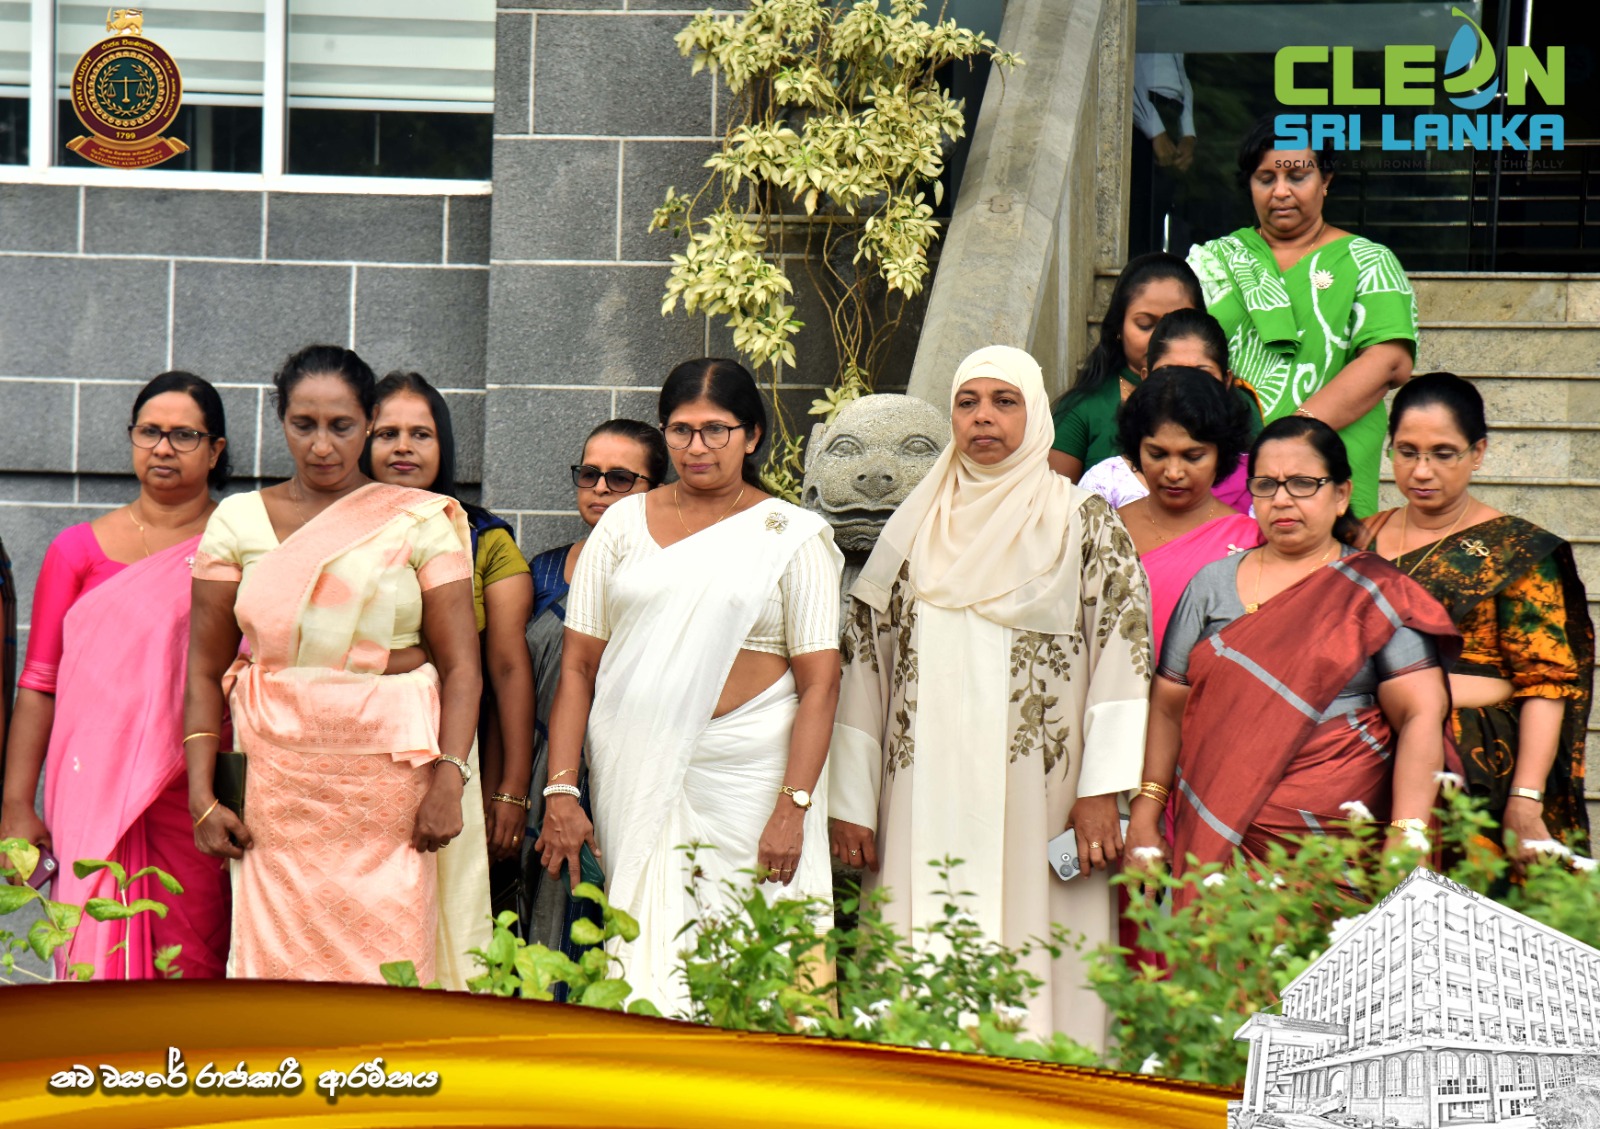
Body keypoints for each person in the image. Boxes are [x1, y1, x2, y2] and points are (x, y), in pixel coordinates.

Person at [831, 345, 1153, 1050]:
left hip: (1043, 792)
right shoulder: (913, 528)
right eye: (967, 402)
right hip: (921, 790)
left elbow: (1124, 655)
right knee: (917, 962)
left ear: (1034, 411)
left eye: (1004, 401)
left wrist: (1103, 792)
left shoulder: (1084, 522)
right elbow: (865, 664)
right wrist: (851, 801)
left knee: (1042, 954)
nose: (984, 417)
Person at [538, 358, 843, 1014]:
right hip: (637, 768)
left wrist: (793, 807)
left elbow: (821, 683)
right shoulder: (622, 525)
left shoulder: (791, 536)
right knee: (648, 952)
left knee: (763, 952)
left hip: (753, 780)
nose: (697, 446)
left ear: (752, 435)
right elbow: (579, 667)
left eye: (715, 430)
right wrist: (561, 788)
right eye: (680, 430)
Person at [184, 345, 482, 984]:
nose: (321, 446)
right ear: (281, 420)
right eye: (304, 425)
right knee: (277, 974)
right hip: (277, 791)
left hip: (391, 794)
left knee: (390, 968)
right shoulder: (237, 521)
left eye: (341, 426)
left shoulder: (416, 520)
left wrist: (450, 781)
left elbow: (463, 667)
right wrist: (201, 795)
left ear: (370, 421)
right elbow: (205, 669)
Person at [1124, 417, 1457, 904]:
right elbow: (1169, 706)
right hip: (1221, 839)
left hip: (1340, 848)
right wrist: (1147, 811)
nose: (1281, 499)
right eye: (1266, 484)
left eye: (1302, 483)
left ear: (1341, 494)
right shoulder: (1211, 585)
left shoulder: (1374, 591)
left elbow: (1421, 713)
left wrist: (1408, 833)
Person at [0, 372, 233, 979]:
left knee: (194, 954)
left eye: (184, 435)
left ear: (215, 450)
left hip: (195, 793)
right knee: (95, 950)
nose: (163, 447)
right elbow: (39, 685)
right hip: (93, 790)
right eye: (149, 431)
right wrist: (16, 803)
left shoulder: (239, 544)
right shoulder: (77, 550)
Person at [1365, 372, 1594, 857]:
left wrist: (1526, 798)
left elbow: (1547, 682)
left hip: (1472, 769)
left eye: (1443, 453)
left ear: (1478, 452)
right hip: (1364, 758)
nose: (1422, 471)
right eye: (1407, 452)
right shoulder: (1359, 538)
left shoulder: (1515, 551)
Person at [363, 371, 519, 988]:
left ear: (444, 445)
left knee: (442, 911)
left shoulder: (480, 536)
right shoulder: (329, 531)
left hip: (447, 748)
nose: (403, 446)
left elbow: (503, 668)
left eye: (420, 434)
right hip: (349, 748)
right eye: (388, 433)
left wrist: (507, 789)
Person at [1187, 115, 1417, 518]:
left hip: (1326, 468)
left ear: (1325, 179)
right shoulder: (1216, 260)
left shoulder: (1367, 261)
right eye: (1265, 178)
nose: (1281, 192)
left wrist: (1292, 437)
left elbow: (1390, 361)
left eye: (1297, 177)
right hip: (1223, 471)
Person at [521, 419, 667, 960]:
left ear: (655, 487)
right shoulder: (543, 571)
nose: (601, 488)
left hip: (629, 773)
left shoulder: (670, 576)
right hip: (544, 772)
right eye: (590, 474)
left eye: (620, 478)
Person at [1118, 367, 1260, 659]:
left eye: (1193, 456)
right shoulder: (1107, 528)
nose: (1173, 472)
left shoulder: (1250, 541)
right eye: (1157, 454)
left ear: (1222, 453)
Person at [1078, 308, 1262, 512]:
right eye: (1168, 373)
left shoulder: (1259, 485)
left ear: (1227, 381)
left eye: (1194, 456)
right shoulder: (1106, 484)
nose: (1183, 386)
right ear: (1145, 379)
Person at [1050, 253, 1203, 483]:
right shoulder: (1083, 410)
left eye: (1177, 325)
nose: (1160, 338)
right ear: (1118, 328)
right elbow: (1054, 501)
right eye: (1145, 324)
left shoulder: (1232, 403)